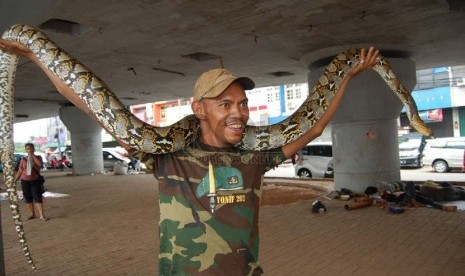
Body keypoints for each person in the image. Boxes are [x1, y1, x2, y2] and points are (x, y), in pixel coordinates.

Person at [0, 39, 378, 274]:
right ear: (199, 108)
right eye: (225, 103)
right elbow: (90, 105)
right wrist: (36, 54)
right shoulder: (168, 155)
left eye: (243, 104)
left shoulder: (254, 154)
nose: (239, 112)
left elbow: (309, 127)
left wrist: (346, 75)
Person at [14, 143, 47, 221]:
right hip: (24, 181)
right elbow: (20, 170)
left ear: (33, 149)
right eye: (27, 148)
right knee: (28, 198)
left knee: (37, 197)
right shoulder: (23, 159)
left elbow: (39, 164)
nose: (29, 149)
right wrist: (15, 180)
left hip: (35, 181)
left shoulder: (38, 157)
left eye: (31, 148)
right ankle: (32, 214)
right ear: (25, 149)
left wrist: (32, 155)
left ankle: (41, 215)